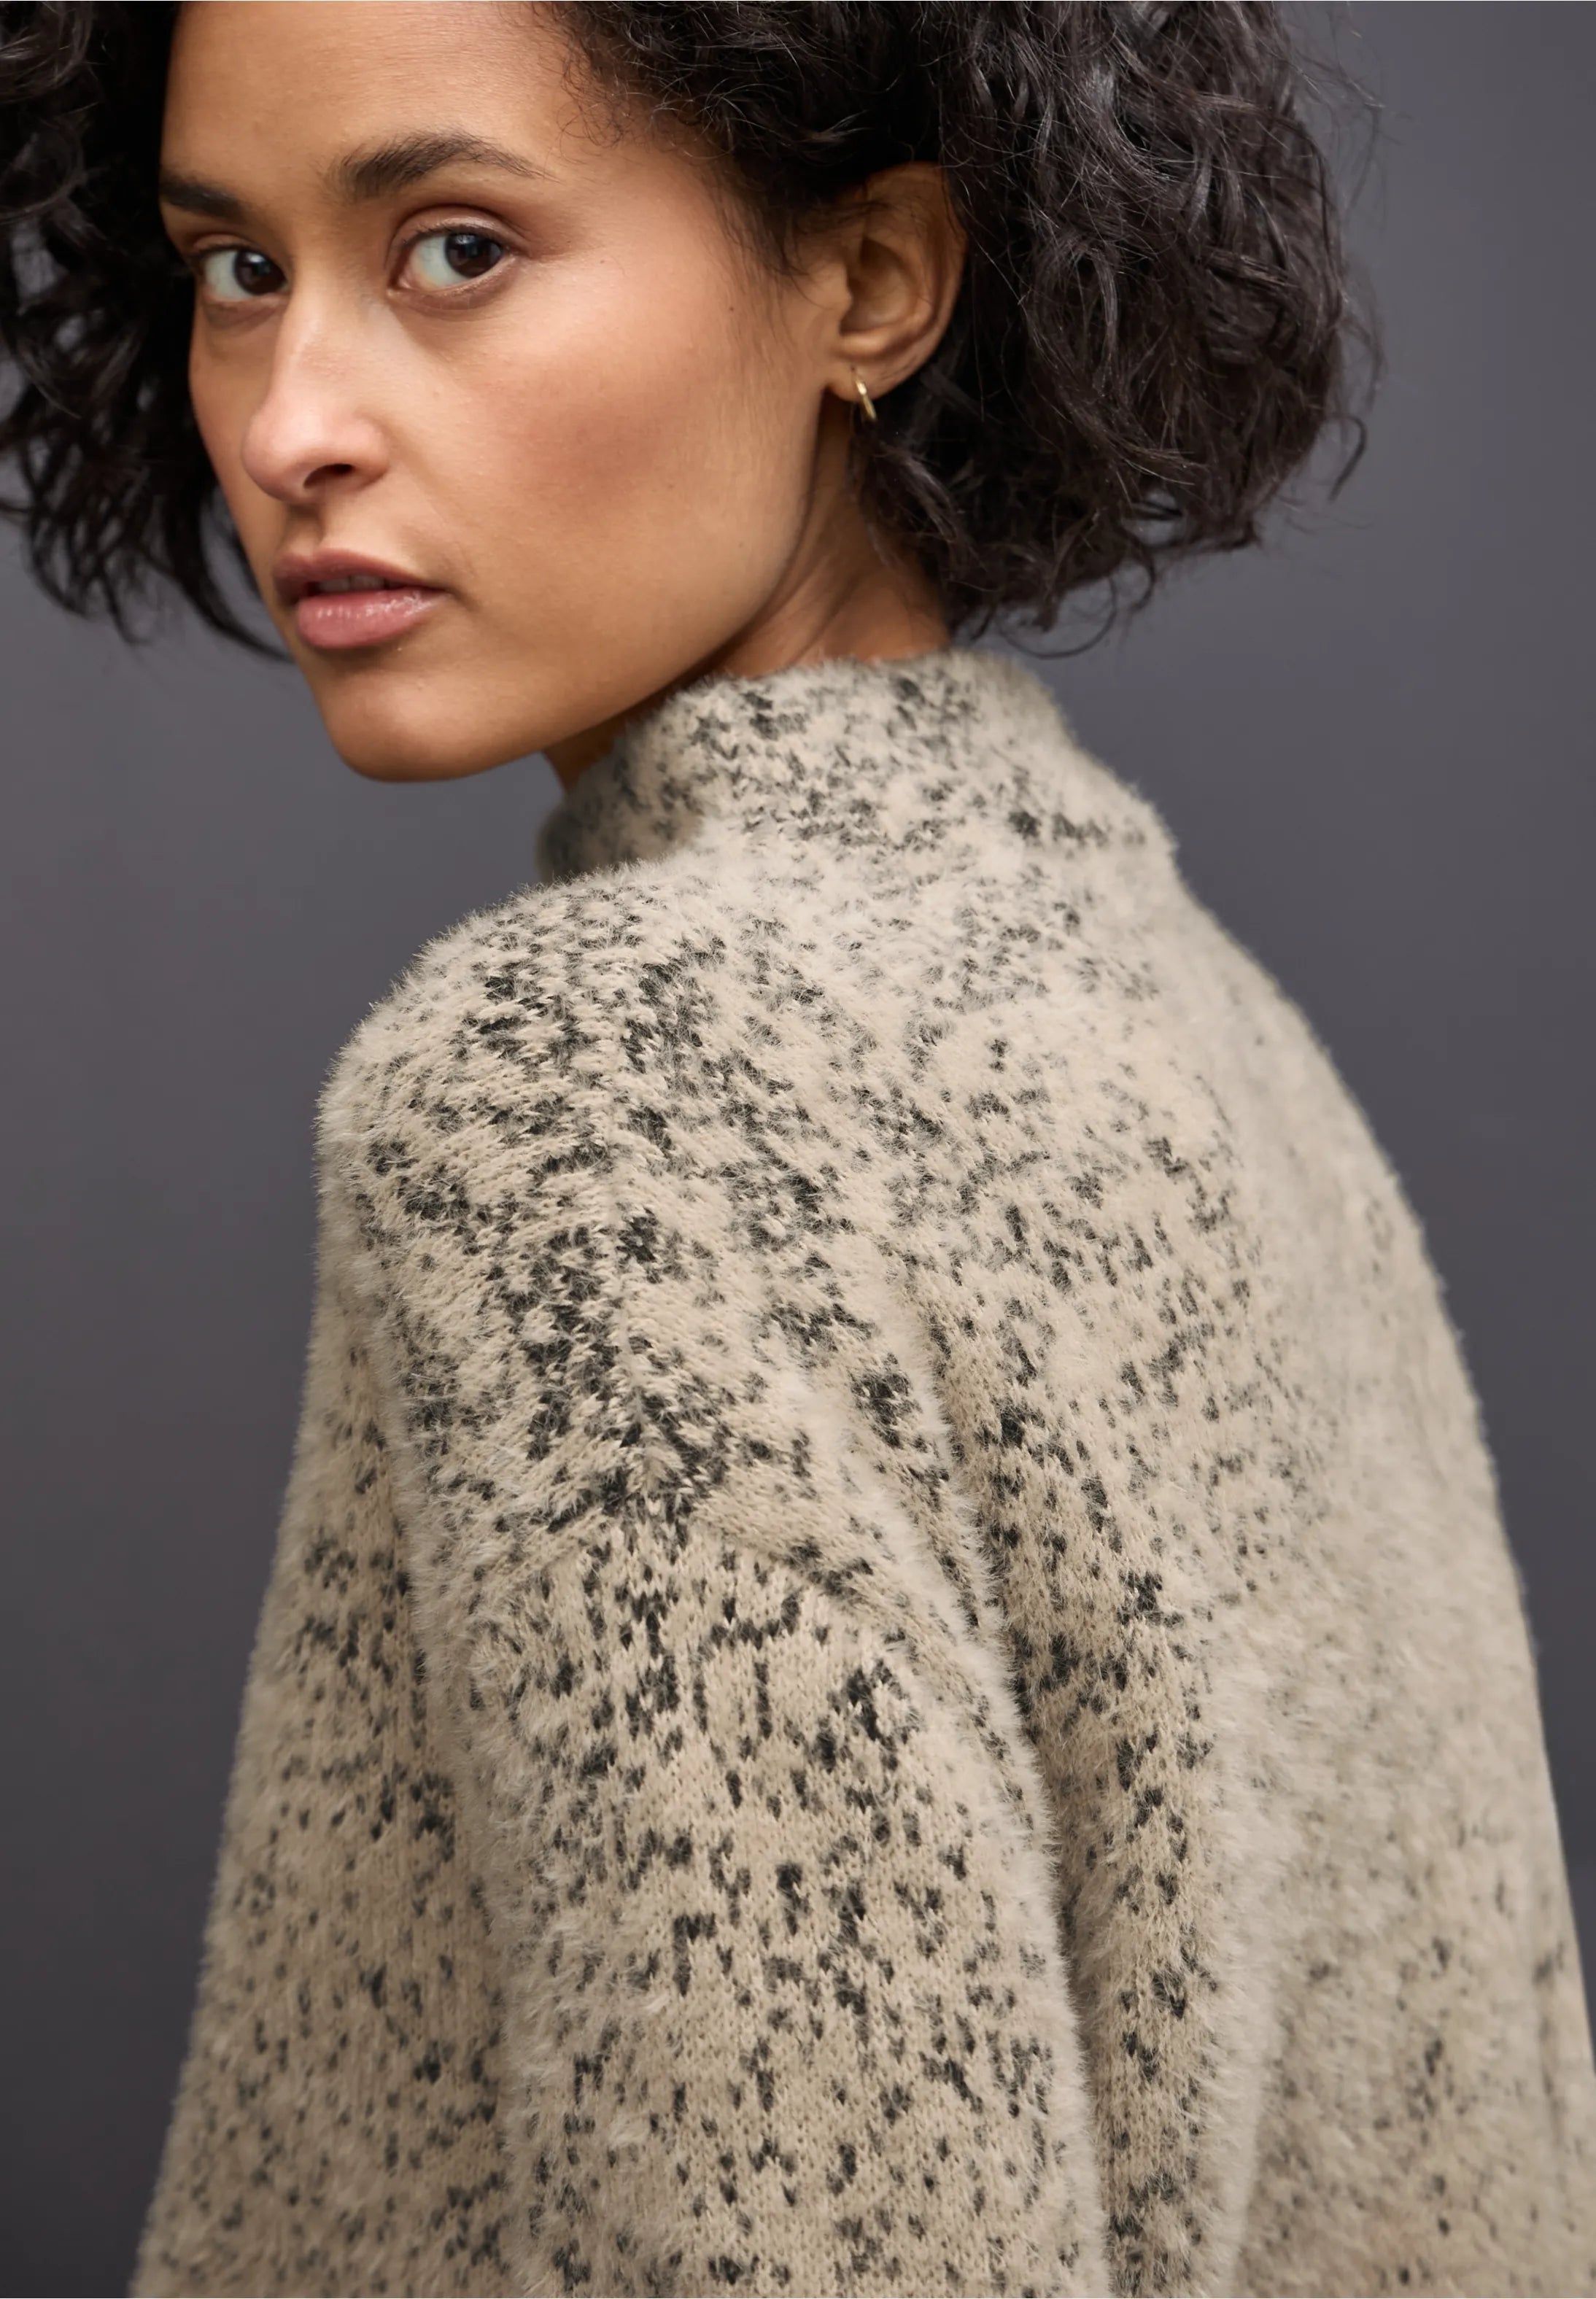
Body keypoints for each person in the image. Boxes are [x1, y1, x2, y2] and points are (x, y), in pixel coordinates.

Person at [3, 4, 1592, 2293]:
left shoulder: (590, 1084)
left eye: (453, 248)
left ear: (868, 281)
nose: (288, 422)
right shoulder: (1189, 1021)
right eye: (236, 270)